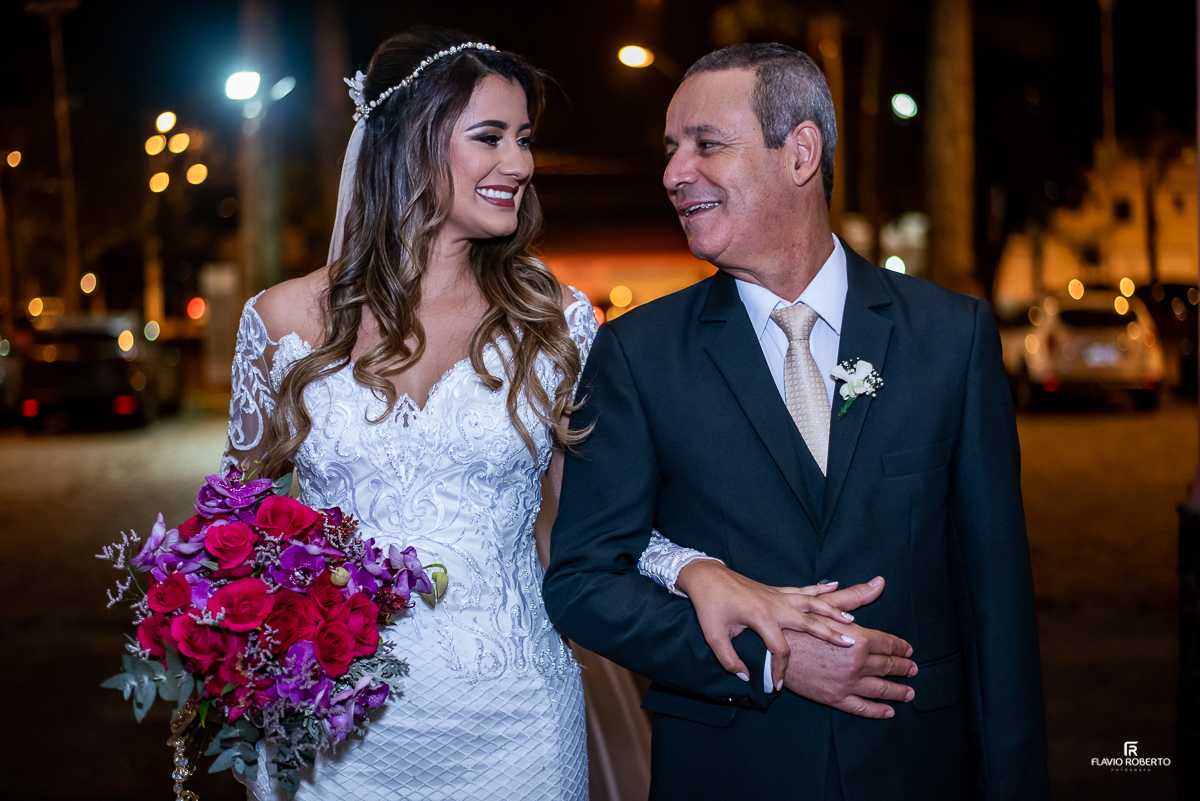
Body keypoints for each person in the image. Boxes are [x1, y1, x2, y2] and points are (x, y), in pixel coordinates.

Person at [544, 43, 1049, 800]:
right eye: (671, 150)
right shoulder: (638, 354)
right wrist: (767, 654)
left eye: (706, 145)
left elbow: (997, 601)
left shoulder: (951, 338)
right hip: (731, 767)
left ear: (800, 152)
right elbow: (584, 579)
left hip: (916, 766)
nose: (674, 174)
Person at [220, 27, 685, 800]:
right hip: (337, 732)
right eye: (491, 137)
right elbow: (241, 533)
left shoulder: (555, 321)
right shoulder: (282, 321)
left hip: (518, 720)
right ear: (410, 143)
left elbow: (595, 520)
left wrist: (699, 573)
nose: (522, 164)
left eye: (525, 140)